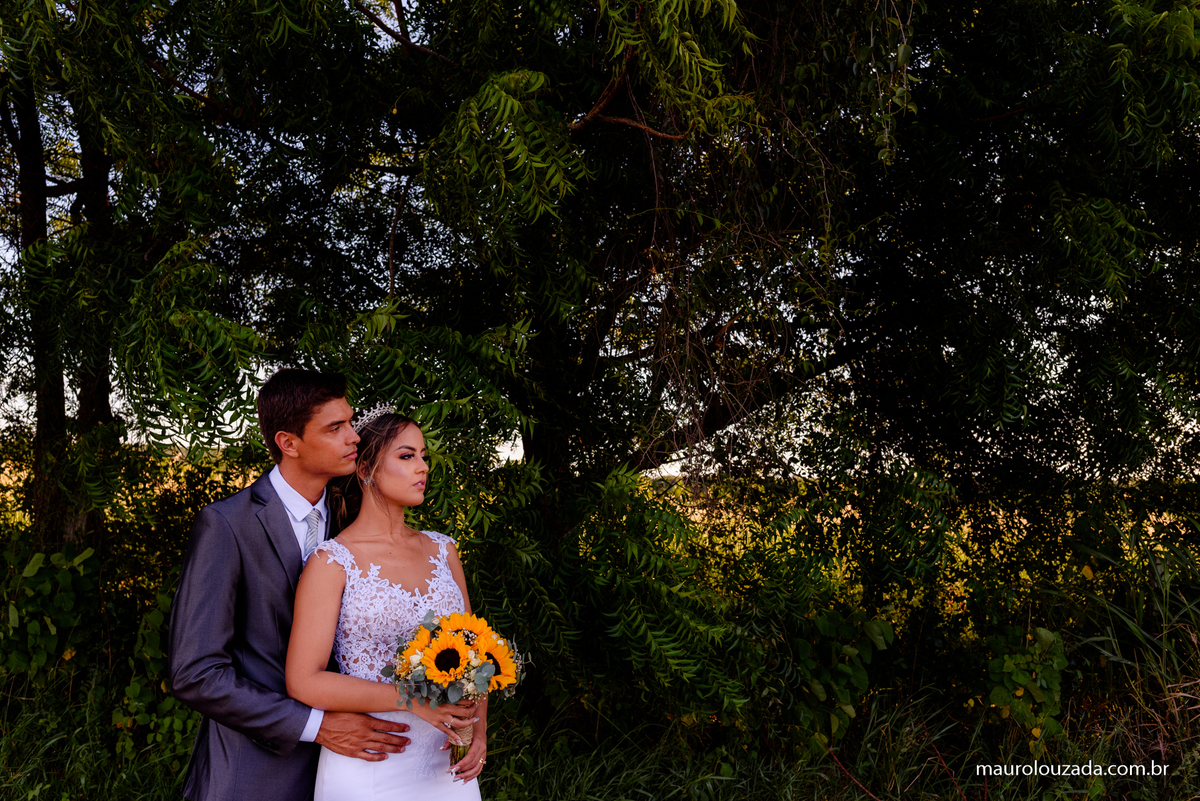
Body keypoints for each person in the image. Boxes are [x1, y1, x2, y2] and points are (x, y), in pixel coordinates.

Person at [168, 370, 413, 801]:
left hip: (356, 768)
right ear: (289, 443)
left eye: (350, 422)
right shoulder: (227, 525)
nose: (353, 437)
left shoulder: (352, 520)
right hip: (253, 773)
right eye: (335, 428)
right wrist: (318, 725)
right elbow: (196, 673)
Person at [285, 407, 486, 801]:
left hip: (448, 765)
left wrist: (478, 732)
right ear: (365, 469)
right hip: (370, 760)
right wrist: (413, 702)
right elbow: (303, 680)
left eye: (424, 456)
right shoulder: (332, 561)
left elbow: (474, 653)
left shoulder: (443, 549)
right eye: (407, 456)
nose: (423, 467)